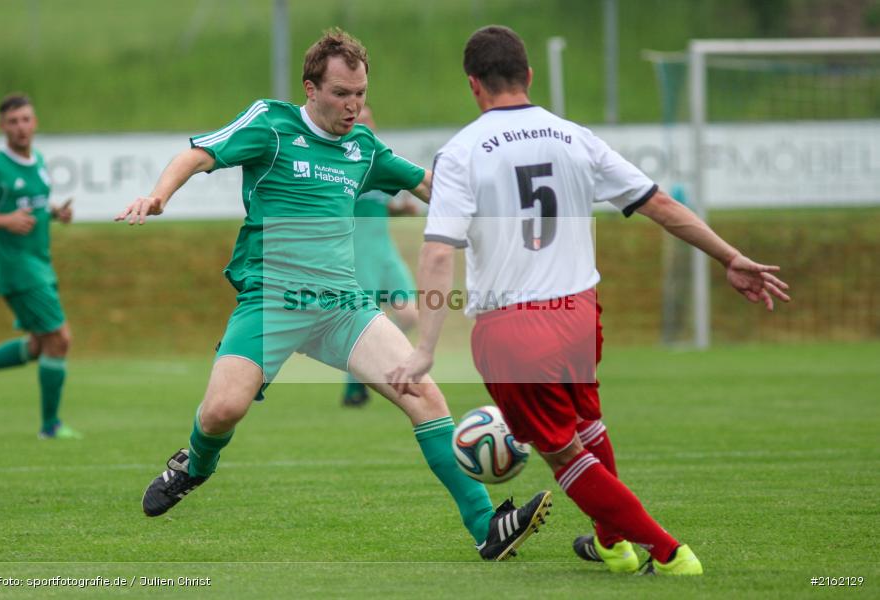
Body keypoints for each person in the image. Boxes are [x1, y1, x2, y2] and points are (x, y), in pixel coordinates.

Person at [116, 28, 550, 561]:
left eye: (361, 93)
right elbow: (198, 154)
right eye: (342, 93)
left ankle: (488, 526)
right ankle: (195, 466)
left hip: (342, 307)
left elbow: (430, 186)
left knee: (425, 394)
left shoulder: (362, 148)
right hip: (271, 303)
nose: (353, 105)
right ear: (311, 88)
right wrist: (159, 195)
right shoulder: (271, 125)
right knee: (220, 413)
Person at [389, 25, 791, 575]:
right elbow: (659, 204)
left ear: (473, 85)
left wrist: (426, 347)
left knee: (563, 454)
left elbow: (438, 253)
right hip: (578, 313)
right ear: (528, 76)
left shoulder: (461, 152)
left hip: (513, 328)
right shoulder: (574, 136)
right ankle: (611, 542)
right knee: (585, 426)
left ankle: (668, 552)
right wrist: (729, 256)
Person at [0, 93, 80, 440]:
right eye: (13, 121)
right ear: (2, 127)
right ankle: (50, 427)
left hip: (40, 263)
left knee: (40, 346)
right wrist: (3, 220)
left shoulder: (37, 159)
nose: (20, 127)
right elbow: (4, 213)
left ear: (34, 122)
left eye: (25, 119)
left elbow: (33, 203)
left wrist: (55, 213)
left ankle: (50, 425)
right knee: (60, 338)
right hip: (18, 268)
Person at [342, 104, 420, 407]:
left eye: (368, 117)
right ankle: (355, 386)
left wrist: (400, 209)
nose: (364, 122)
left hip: (384, 250)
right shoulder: (340, 164)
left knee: (410, 313)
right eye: (358, 119)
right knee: (362, 323)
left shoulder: (376, 158)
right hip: (359, 252)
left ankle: (372, 366)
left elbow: (377, 202)